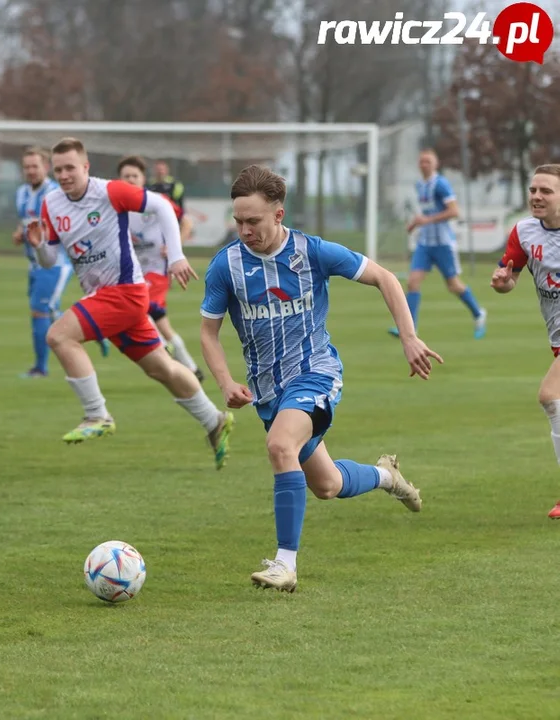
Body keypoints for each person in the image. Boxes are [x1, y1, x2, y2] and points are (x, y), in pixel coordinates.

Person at [200, 165, 441, 593]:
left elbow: (384, 277)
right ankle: (387, 476)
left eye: (252, 221)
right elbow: (209, 332)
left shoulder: (312, 252)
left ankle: (284, 564)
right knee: (327, 485)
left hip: (314, 373)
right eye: (237, 221)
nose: (244, 230)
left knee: (279, 446)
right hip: (268, 393)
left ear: (278, 215)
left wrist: (409, 337)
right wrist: (224, 382)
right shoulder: (226, 266)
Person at [26, 137, 233, 469]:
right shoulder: (51, 203)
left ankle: (97, 414)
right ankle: (214, 421)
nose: (64, 175)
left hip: (124, 292)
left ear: (85, 167)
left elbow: (163, 206)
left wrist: (176, 256)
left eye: (70, 168)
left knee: (59, 336)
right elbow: (50, 259)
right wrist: (38, 246)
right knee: (162, 369)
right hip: (107, 297)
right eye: (58, 169)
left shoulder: (109, 191)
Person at [490, 163, 560, 519]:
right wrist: (503, 281)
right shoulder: (524, 231)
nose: (536, 196)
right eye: (534, 190)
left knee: (551, 396)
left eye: (546, 191)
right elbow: (510, 276)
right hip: (556, 338)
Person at [118, 155, 205, 382]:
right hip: (133, 272)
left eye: (134, 176)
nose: (129, 180)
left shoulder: (156, 201)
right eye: (125, 176)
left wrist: (175, 248)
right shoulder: (116, 206)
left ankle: (163, 349)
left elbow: (187, 222)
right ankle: (193, 369)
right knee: (162, 323)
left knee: (137, 306)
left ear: (142, 178)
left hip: (157, 270)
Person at [389, 149, 487, 339]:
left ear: (436, 164)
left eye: (428, 161)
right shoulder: (419, 185)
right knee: (412, 282)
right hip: (425, 243)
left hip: (443, 243)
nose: (424, 164)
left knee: (453, 285)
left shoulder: (441, 184)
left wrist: (427, 220)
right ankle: (410, 329)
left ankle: (478, 313)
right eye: (421, 161)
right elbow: (426, 214)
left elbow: (454, 211)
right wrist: (415, 223)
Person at [12, 147, 92, 378]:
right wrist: (20, 233)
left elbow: (62, 227)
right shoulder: (21, 193)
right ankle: (92, 332)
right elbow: (25, 222)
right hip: (33, 264)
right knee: (47, 310)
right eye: (26, 167)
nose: (30, 171)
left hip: (55, 263)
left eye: (35, 166)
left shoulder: (56, 193)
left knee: (39, 311)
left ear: (45, 167)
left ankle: (40, 368)